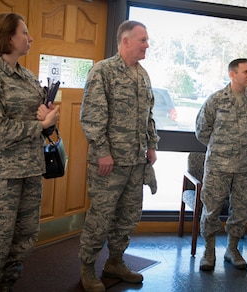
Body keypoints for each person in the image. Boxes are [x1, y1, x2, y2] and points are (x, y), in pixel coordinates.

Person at [0, 12, 60, 291]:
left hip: (30, 170)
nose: (30, 38)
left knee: (23, 241)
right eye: (24, 32)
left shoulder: (28, 77)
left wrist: (47, 119)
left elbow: (39, 121)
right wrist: (39, 124)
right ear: (8, 37)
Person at [79, 20, 159, 292]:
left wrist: (151, 145)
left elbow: (148, 115)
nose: (147, 44)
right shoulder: (102, 71)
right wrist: (102, 152)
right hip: (109, 164)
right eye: (143, 39)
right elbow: (91, 117)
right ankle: (87, 269)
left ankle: (115, 261)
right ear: (125, 41)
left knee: (128, 216)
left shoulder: (143, 74)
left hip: (136, 162)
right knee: (100, 218)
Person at [195, 58, 247, 271]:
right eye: (245, 72)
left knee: (241, 209)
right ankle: (209, 251)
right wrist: (221, 148)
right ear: (232, 74)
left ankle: (232, 250)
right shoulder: (216, 99)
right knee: (211, 210)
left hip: (245, 167)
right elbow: (201, 130)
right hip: (218, 166)